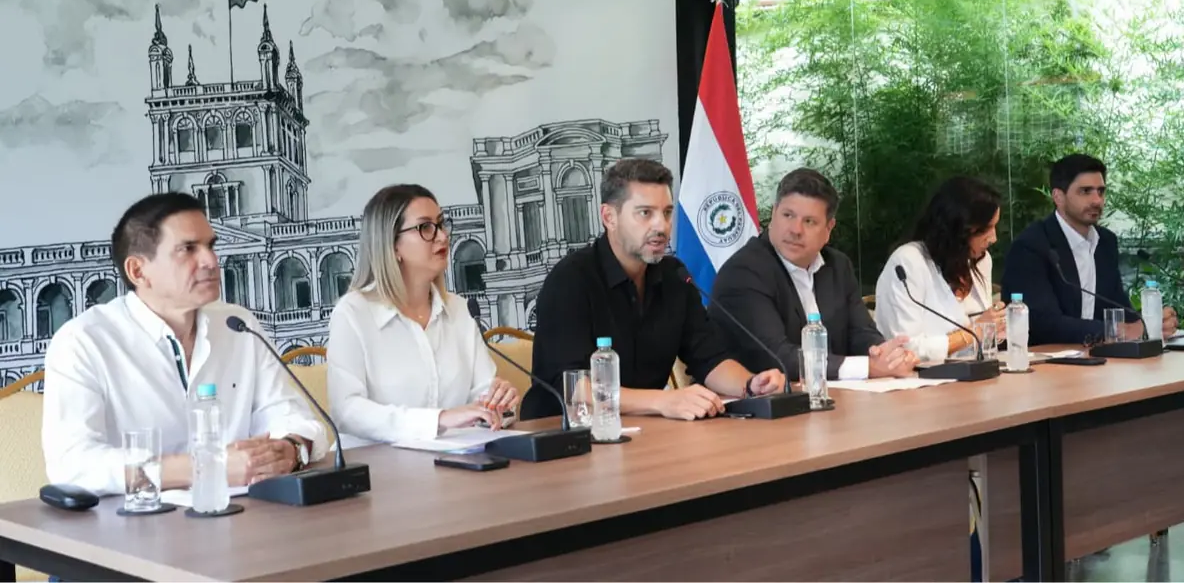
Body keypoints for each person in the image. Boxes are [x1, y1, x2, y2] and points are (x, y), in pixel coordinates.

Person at [41, 193, 328, 496]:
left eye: (211, 246)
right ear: (138, 271)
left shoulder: (239, 325)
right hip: (135, 528)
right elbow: (72, 465)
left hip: (247, 516)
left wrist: (291, 449)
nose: (211, 261)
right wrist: (204, 467)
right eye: (188, 249)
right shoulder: (84, 342)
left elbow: (293, 416)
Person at [522, 159, 787, 422]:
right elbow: (574, 386)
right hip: (563, 436)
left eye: (667, 212)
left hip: (644, 430)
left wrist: (751, 385)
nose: (661, 226)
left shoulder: (674, 276)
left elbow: (709, 358)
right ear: (609, 217)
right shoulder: (571, 279)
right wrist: (662, 401)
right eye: (645, 213)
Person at [327, 184, 519, 448]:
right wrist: (438, 419)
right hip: (375, 470)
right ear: (392, 246)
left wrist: (499, 404)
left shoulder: (459, 310)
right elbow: (347, 411)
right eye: (425, 227)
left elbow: (484, 395)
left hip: (455, 463)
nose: (442, 236)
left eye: (441, 224)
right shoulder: (352, 313)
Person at [710, 168, 916, 381]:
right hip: (756, 404)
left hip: (830, 398)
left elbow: (861, 333)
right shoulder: (744, 272)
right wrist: (868, 367)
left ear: (829, 228)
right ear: (773, 214)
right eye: (788, 215)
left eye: (809, 221)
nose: (795, 229)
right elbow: (777, 357)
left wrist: (886, 355)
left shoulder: (837, 266)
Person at [1002, 154, 1178, 345]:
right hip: (1045, 363)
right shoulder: (1032, 245)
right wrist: (1117, 330)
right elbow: (1042, 323)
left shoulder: (1105, 242)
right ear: (1058, 197)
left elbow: (1118, 307)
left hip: (1096, 358)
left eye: (1101, 191)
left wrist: (1151, 322)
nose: (1097, 200)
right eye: (1085, 191)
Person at [874, 177, 1008, 362]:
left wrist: (997, 328)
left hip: (974, 378)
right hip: (917, 383)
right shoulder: (908, 262)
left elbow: (982, 340)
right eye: (986, 229)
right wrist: (974, 332)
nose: (993, 238)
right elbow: (905, 348)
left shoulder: (981, 261)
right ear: (959, 228)